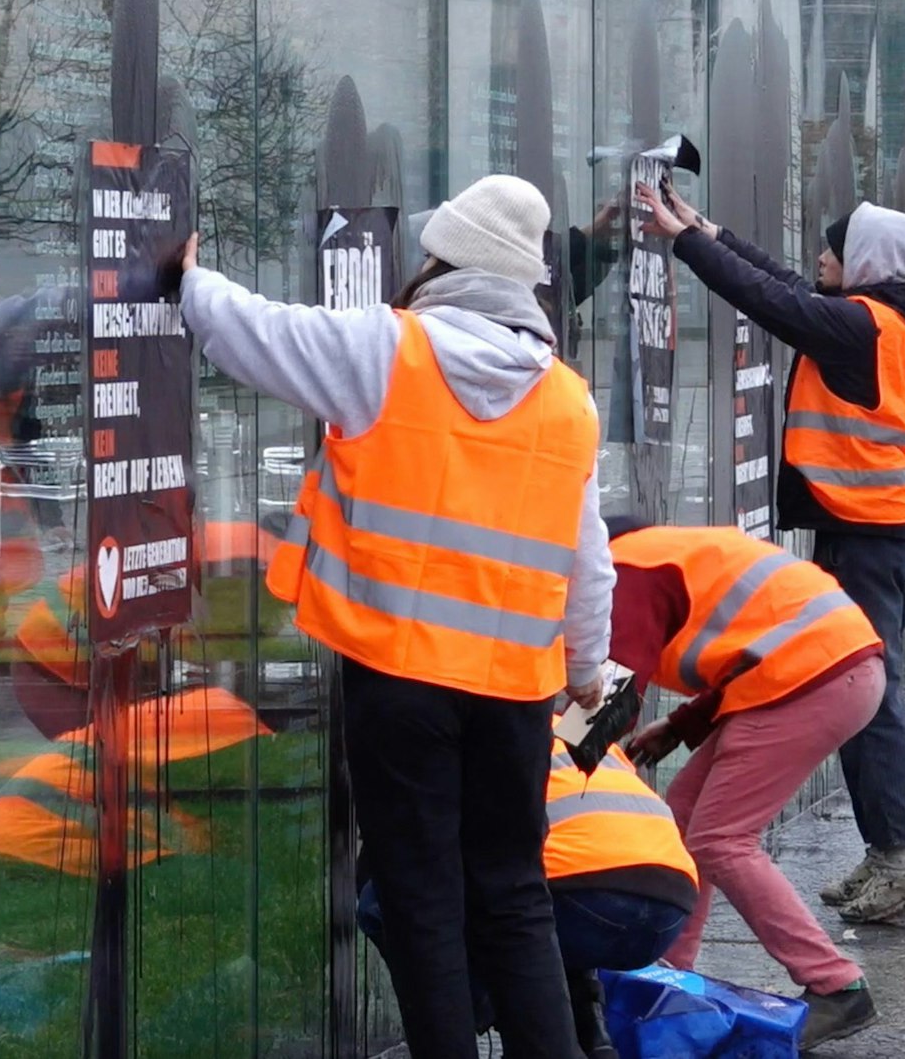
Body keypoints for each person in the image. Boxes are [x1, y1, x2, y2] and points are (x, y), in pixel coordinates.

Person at [179, 174, 617, 1059]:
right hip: (515, 698)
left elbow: (259, 335)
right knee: (513, 895)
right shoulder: (568, 398)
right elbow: (588, 560)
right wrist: (585, 669)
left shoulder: (390, 351)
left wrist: (190, 281)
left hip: (400, 681)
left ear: (443, 261)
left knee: (422, 898)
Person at [638, 187, 905, 925]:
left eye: (833, 250)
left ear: (864, 263)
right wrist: (713, 228)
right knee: (866, 687)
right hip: (878, 529)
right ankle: (887, 852)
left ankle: (903, 856)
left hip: (867, 536)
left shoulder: (859, 326)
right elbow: (787, 284)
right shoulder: (876, 320)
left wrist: (686, 245)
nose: (820, 258)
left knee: (870, 695)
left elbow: (769, 300)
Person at [605, 520, 885, 1049]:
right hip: (829, 669)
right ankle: (664, 970)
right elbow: (755, 646)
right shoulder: (664, 550)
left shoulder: (625, 569)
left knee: (719, 839)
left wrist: (567, 760)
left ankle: (837, 985)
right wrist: (685, 724)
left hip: (812, 678)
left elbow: (613, 698)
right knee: (684, 814)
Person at [357, 719, 696, 1059]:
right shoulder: (562, 725)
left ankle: (500, 1020)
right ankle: (592, 1034)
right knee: (551, 892)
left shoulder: (465, 731)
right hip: (671, 905)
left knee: (381, 902)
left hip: (583, 898)